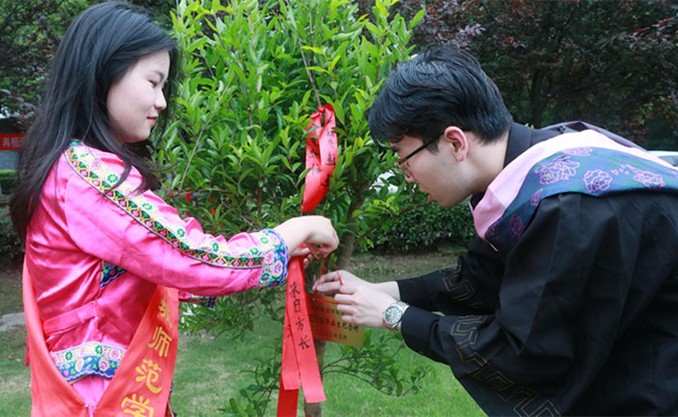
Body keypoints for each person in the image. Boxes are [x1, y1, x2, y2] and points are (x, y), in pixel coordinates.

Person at [9, 2, 339, 416]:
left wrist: (280, 252)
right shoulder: (87, 174)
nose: (161, 102)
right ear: (103, 71)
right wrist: (294, 230)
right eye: (153, 82)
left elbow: (138, 275)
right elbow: (187, 256)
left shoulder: (66, 170)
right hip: (104, 400)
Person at [314, 45, 678, 416]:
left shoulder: (570, 206)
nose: (406, 175)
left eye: (404, 157)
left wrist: (395, 315)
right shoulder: (541, 164)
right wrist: (382, 290)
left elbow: (526, 355)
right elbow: (485, 279)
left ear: (455, 142)